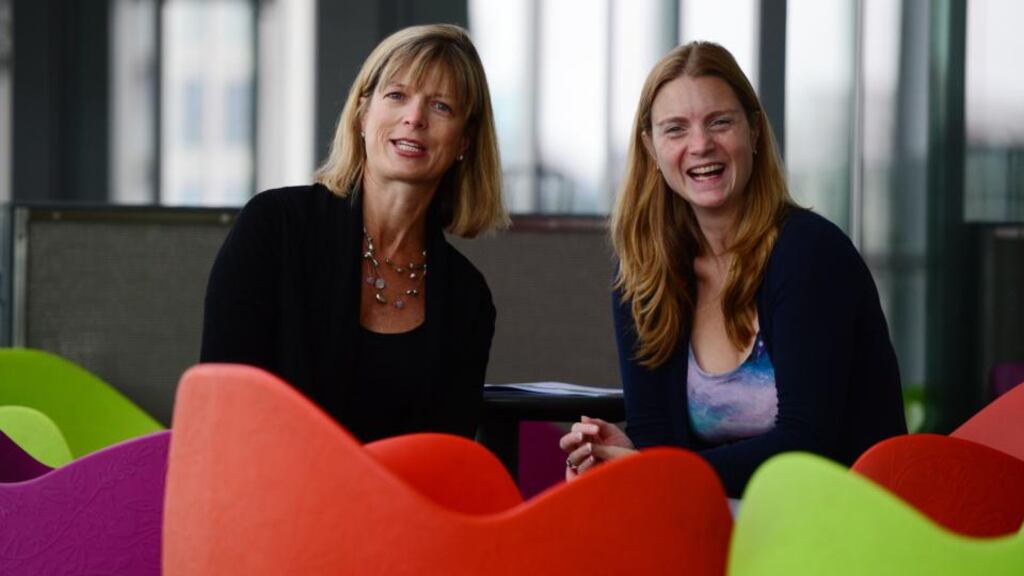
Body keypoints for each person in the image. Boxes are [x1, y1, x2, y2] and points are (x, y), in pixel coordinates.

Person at [560, 41, 906, 498]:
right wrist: (627, 456)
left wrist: (659, 470)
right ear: (651, 147)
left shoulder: (810, 255)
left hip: (840, 522)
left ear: (755, 131)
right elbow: (659, 441)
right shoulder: (645, 278)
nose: (701, 145)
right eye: (675, 129)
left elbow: (808, 444)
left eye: (719, 122)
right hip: (716, 525)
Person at [201, 24, 507, 443]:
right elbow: (222, 407)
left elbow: (442, 457)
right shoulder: (275, 228)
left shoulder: (466, 298)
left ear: (464, 142)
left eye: (441, 106)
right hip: (264, 497)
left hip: (393, 507)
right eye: (397, 95)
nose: (414, 117)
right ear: (363, 114)